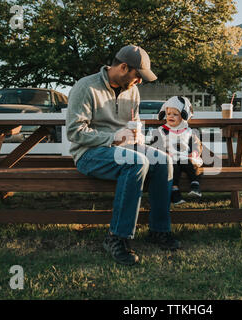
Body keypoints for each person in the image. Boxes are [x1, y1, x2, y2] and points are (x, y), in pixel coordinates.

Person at [66, 45, 180, 266]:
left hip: (124, 148)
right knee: (136, 163)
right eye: (137, 76)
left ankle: (159, 230)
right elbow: (74, 132)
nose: (139, 82)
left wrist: (134, 135)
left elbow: (131, 123)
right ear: (123, 67)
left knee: (163, 160)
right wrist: (112, 138)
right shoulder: (86, 87)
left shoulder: (133, 91)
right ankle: (116, 237)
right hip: (89, 153)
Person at [149, 96, 203, 205]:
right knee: (173, 168)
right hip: (170, 158)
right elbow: (155, 145)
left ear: (184, 116)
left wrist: (195, 152)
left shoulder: (188, 131)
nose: (171, 116)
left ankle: (195, 185)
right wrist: (162, 152)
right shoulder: (161, 131)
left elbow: (196, 144)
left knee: (191, 165)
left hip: (185, 156)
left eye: (175, 114)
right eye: (168, 114)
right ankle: (175, 192)